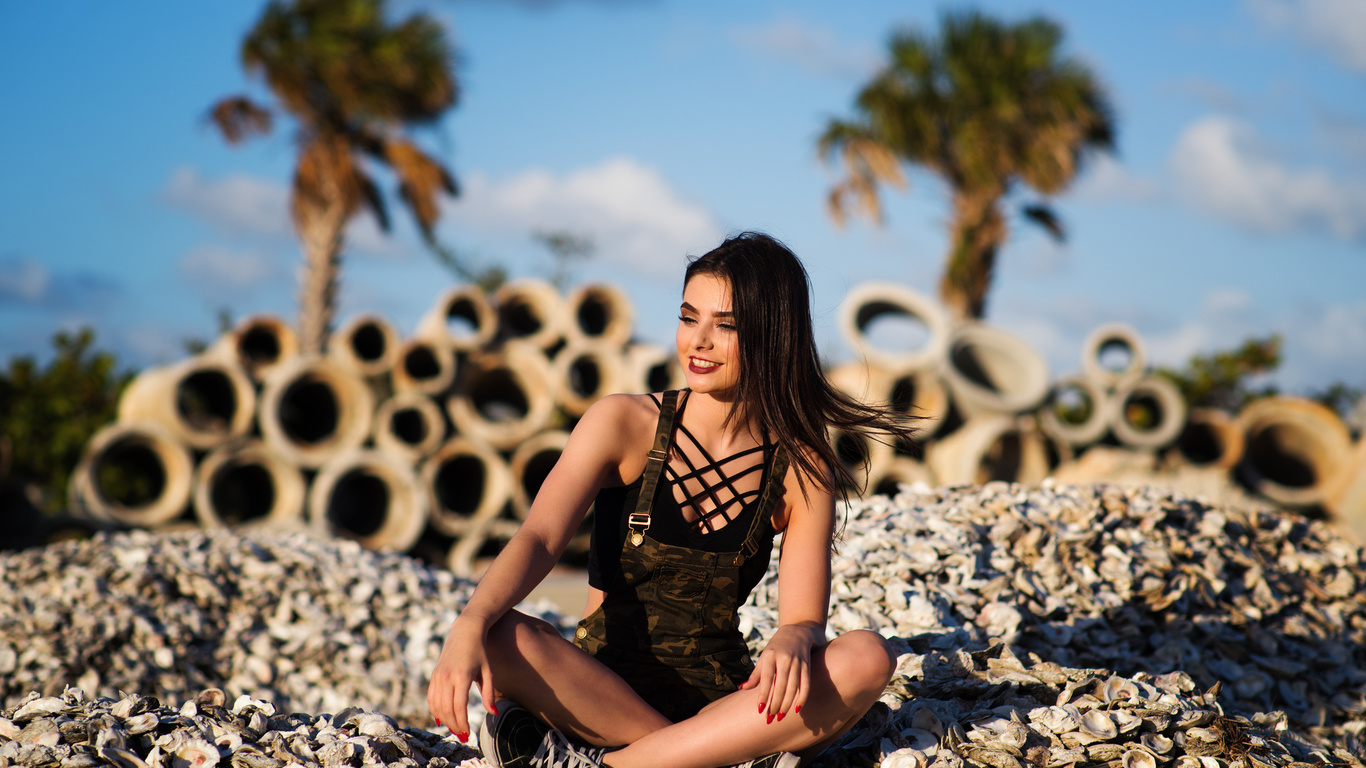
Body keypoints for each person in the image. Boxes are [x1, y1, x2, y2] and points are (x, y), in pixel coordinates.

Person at [427, 232, 919, 768]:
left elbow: (803, 617)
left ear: (772, 335)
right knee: (499, 634)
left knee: (867, 656)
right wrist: (470, 621)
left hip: (722, 706)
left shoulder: (801, 467)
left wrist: (796, 637)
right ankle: (689, 758)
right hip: (601, 694)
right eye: (689, 318)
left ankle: (621, 764)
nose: (698, 341)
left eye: (725, 325)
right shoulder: (621, 423)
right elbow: (539, 537)